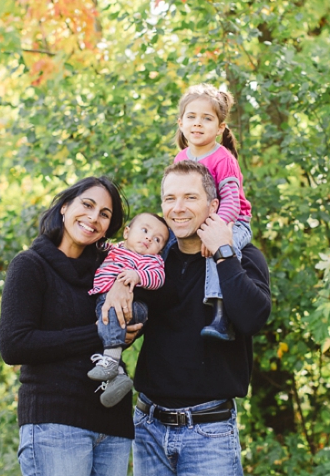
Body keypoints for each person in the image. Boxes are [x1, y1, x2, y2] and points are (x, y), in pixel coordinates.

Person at [101, 160, 271, 476]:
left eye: (190, 197)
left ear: (214, 205)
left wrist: (222, 250)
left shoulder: (243, 256)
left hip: (210, 433)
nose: (178, 208)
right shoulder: (153, 261)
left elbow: (252, 319)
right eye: (170, 198)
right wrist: (117, 290)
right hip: (148, 427)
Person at [0, 177, 142, 476]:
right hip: (56, 423)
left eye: (105, 214)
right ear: (65, 207)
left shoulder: (110, 270)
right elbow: (15, 344)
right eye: (87, 205)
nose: (93, 217)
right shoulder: (30, 265)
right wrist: (98, 331)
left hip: (112, 424)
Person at [173, 84, 253, 341]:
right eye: (191, 117)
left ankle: (222, 316)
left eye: (206, 119)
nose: (197, 124)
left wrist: (214, 233)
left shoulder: (222, 158)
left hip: (233, 223)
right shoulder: (181, 158)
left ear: (219, 127)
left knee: (219, 252)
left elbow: (232, 202)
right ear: (181, 123)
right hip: (199, 223)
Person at [87, 212, 169, 408]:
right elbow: (97, 244)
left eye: (157, 239)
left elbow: (158, 279)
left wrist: (137, 276)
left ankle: (111, 361)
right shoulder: (115, 249)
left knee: (111, 314)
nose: (149, 238)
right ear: (126, 233)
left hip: (133, 307)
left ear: (160, 249)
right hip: (105, 301)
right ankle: (118, 377)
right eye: (144, 230)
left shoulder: (152, 261)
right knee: (103, 328)